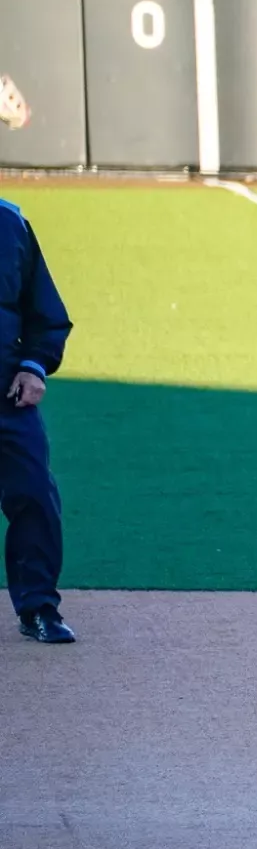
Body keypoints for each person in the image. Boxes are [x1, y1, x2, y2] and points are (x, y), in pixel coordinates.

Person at [1, 196, 74, 644]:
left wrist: (33, 365)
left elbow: (46, 314)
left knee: (34, 496)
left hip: (8, 396)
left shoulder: (11, 223)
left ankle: (38, 608)